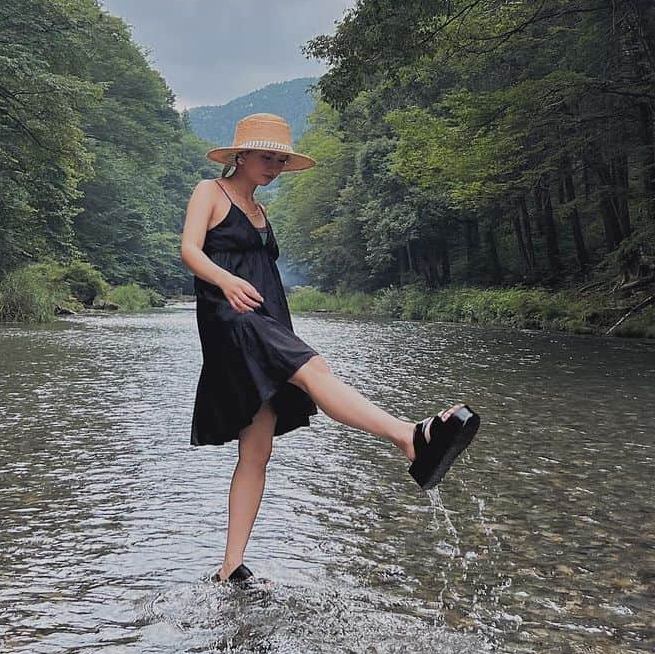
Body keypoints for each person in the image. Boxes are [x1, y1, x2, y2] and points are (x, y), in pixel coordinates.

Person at [180, 112, 480, 589]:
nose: (274, 167)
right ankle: (409, 437)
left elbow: (261, 270)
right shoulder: (209, 193)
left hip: (267, 315)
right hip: (230, 318)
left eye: (280, 160)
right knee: (316, 369)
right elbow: (190, 251)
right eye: (266, 158)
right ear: (239, 155)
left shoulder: (260, 210)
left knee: (257, 450)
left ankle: (230, 566)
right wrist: (225, 279)